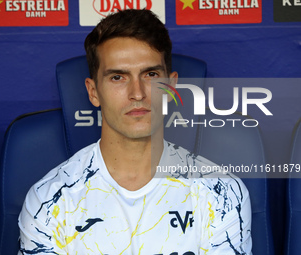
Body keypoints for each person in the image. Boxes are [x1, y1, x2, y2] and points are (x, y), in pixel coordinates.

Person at [18, 9, 252, 255]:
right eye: (118, 77)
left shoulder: (220, 191)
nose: (138, 93)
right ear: (93, 91)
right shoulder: (49, 199)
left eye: (150, 74)